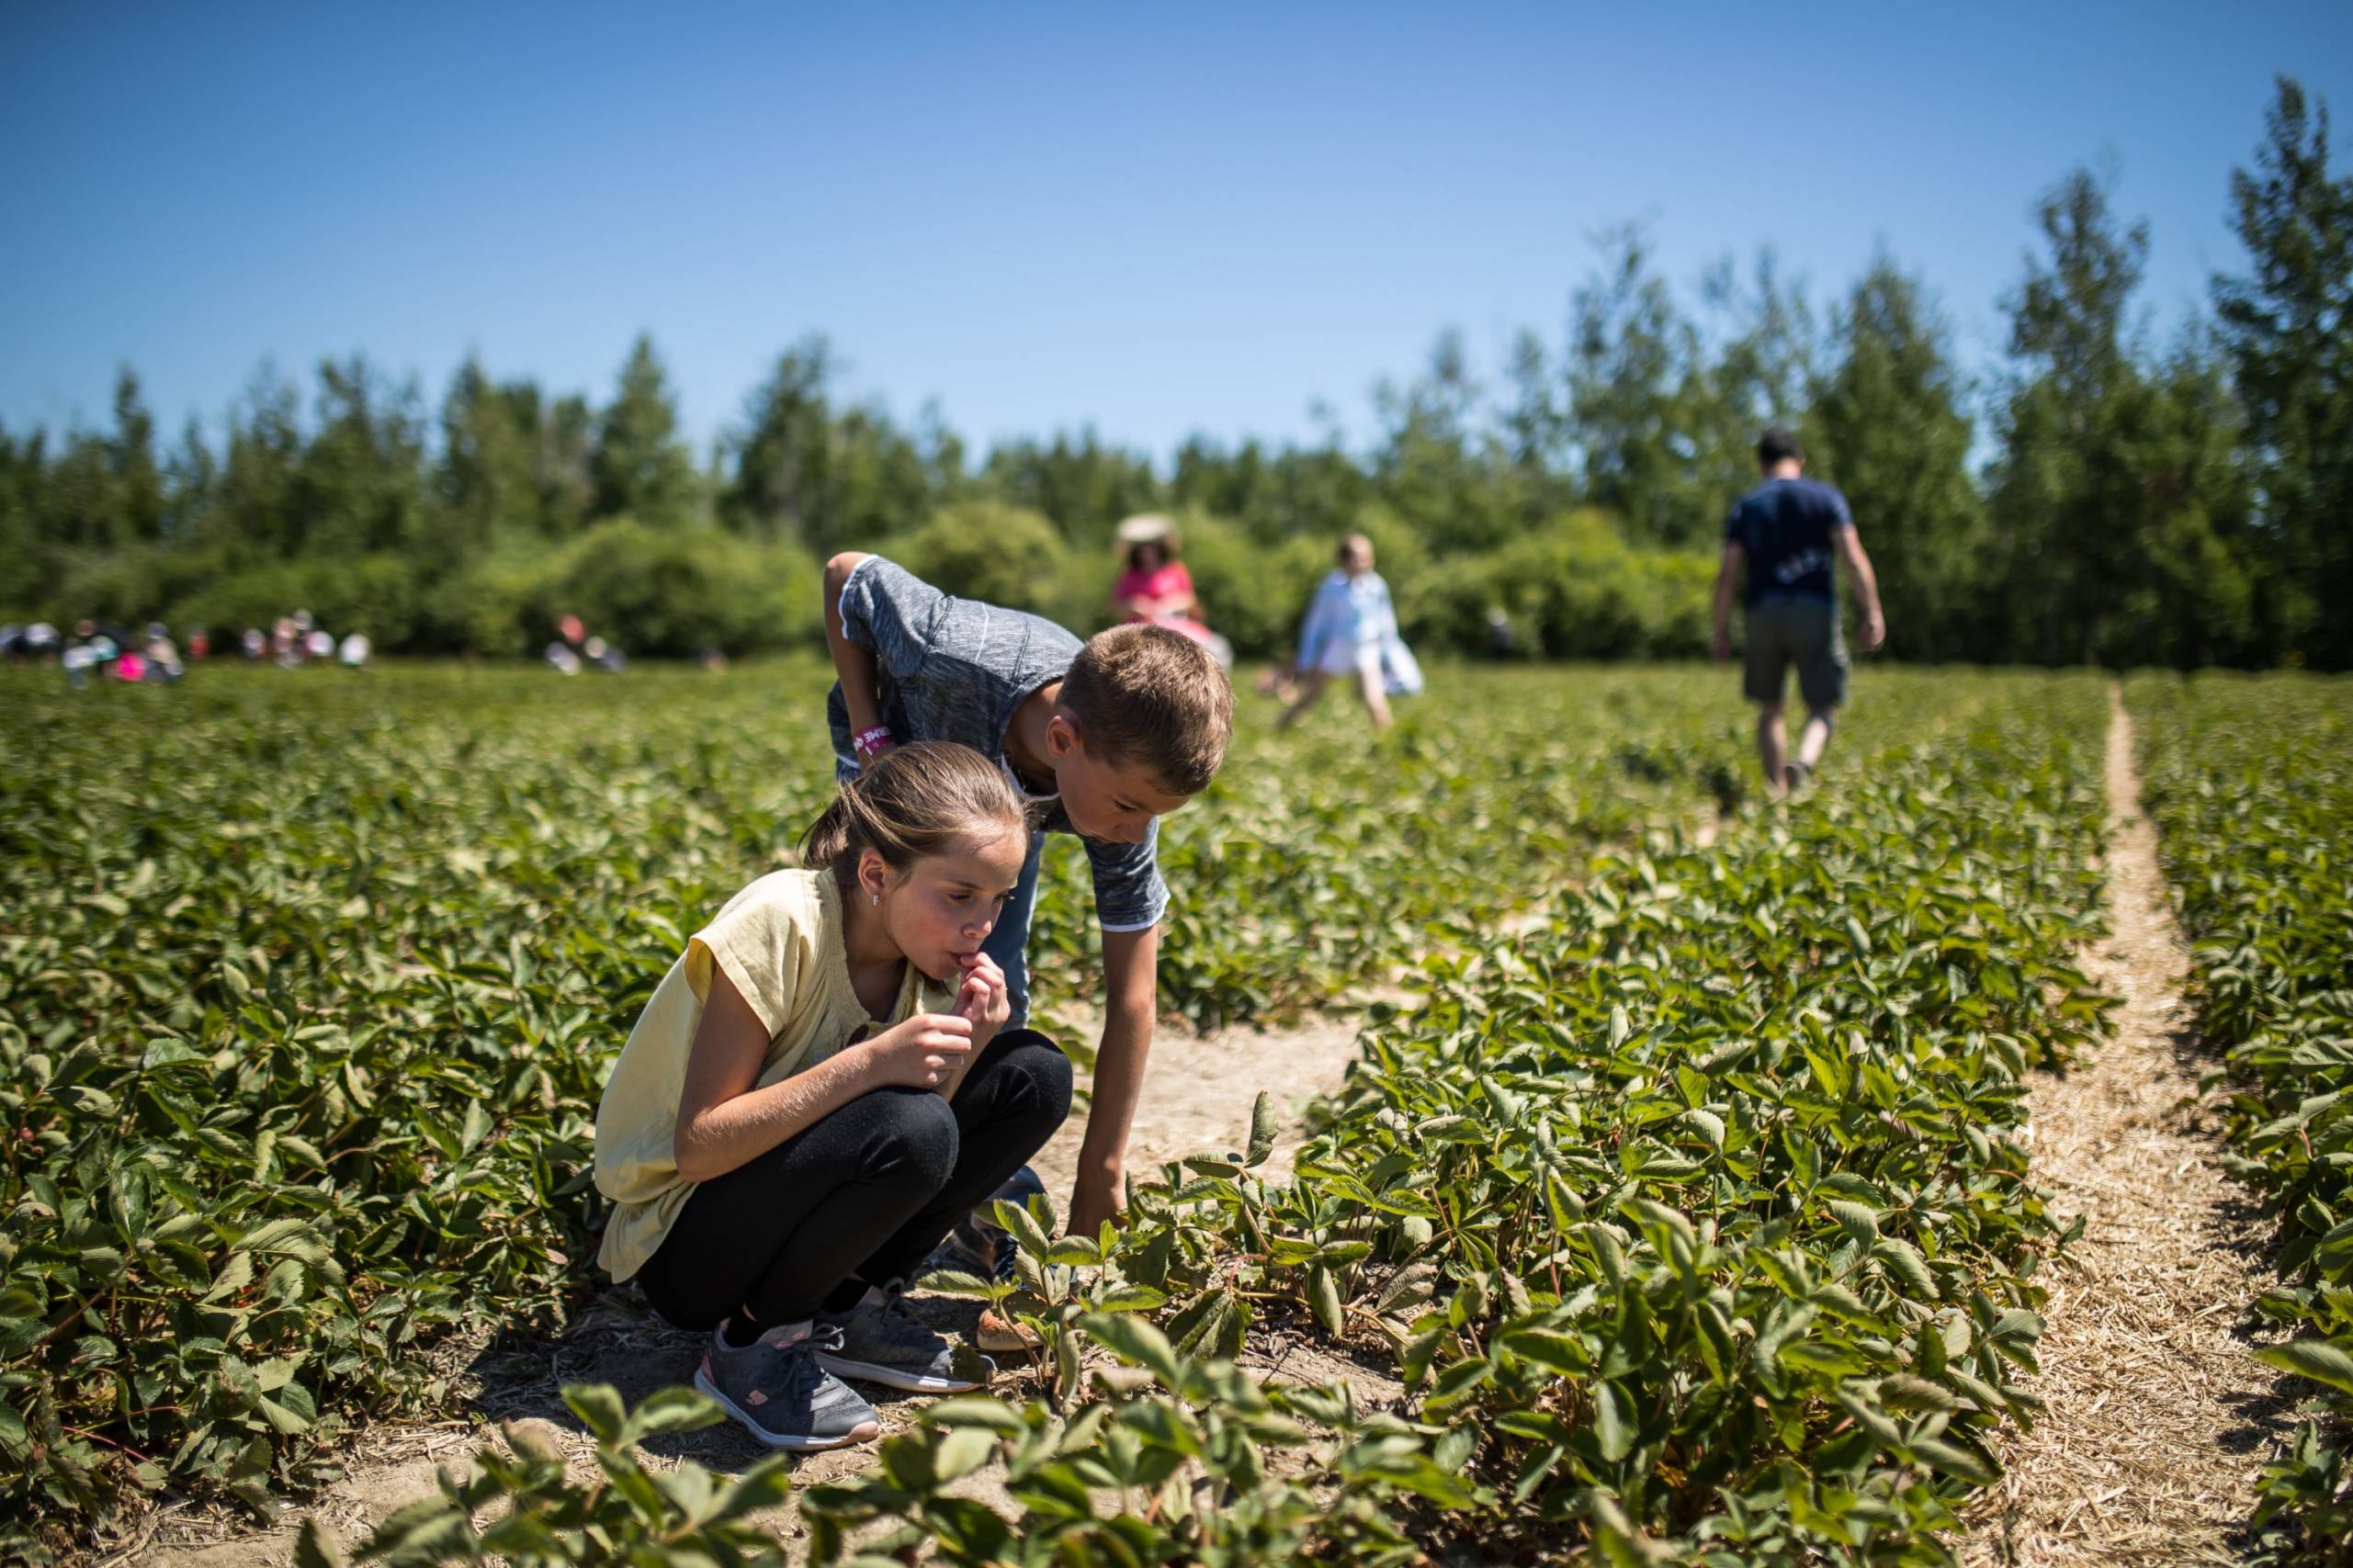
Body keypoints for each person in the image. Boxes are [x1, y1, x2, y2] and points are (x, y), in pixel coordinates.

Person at [594, 743, 1070, 1451]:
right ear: (876, 874)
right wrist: (872, 1061)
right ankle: (753, 1343)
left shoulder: (925, 953)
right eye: (960, 894)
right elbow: (699, 1145)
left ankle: (850, 1305)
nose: (983, 925)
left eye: (1000, 898)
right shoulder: (783, 919)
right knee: (912, 1124)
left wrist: (972, 1040)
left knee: (1033, 1073)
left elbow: (926, 1137)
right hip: (685, 1242)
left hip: (782, 1201)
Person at [821, 551, 1233, 1242]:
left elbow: (1133, 995)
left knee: (994, 986)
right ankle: (830, 1157)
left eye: (1153, 815)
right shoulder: (946, 647)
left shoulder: (1114, 784)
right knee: (861, 967)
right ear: (1062, 739)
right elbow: (845, 574)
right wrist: (871, 735)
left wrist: (1103, 1169)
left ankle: (974, 1193)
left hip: (1010, 808)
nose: (1136, 834)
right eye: (1129, 808)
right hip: (896, 774)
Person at [1711, 428, 1886, 798]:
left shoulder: (1747, 506)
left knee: (1770, 710)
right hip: (1814, 610)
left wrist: (1720, 630)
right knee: (1822, 707)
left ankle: (1776, 791)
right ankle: (1804, 762)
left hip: (1762, 612)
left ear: (1761, 464)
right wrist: (1871, 611)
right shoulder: (1826, 498)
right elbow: (1853, 558)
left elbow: (1727, 573)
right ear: (1800, 460)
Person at [1276, 533, 1420, 732]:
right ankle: (1280, 728)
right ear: (1345, 560)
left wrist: (1391, 656)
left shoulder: (1376, 585)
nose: (1367, 562)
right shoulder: (1331, 587)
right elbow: (1316, 624)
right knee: (1310, 696)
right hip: (1338, 649)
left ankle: (1389, 742)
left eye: (1369, 557)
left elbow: (1386, 624)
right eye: (1361, 558)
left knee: (1375, 701)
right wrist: (1307, 659)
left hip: (1365, 649)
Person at [1110, 515, 1233, 668]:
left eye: (1151, 546)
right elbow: (1117, 608)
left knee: (1216, 648)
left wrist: (1178, 602)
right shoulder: (1129, 576)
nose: (1148, 551)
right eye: (1143, 547)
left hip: (1178, 626)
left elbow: (1196, 610)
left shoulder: (1175, 570)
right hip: (1142, 631)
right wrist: (1134, 605)